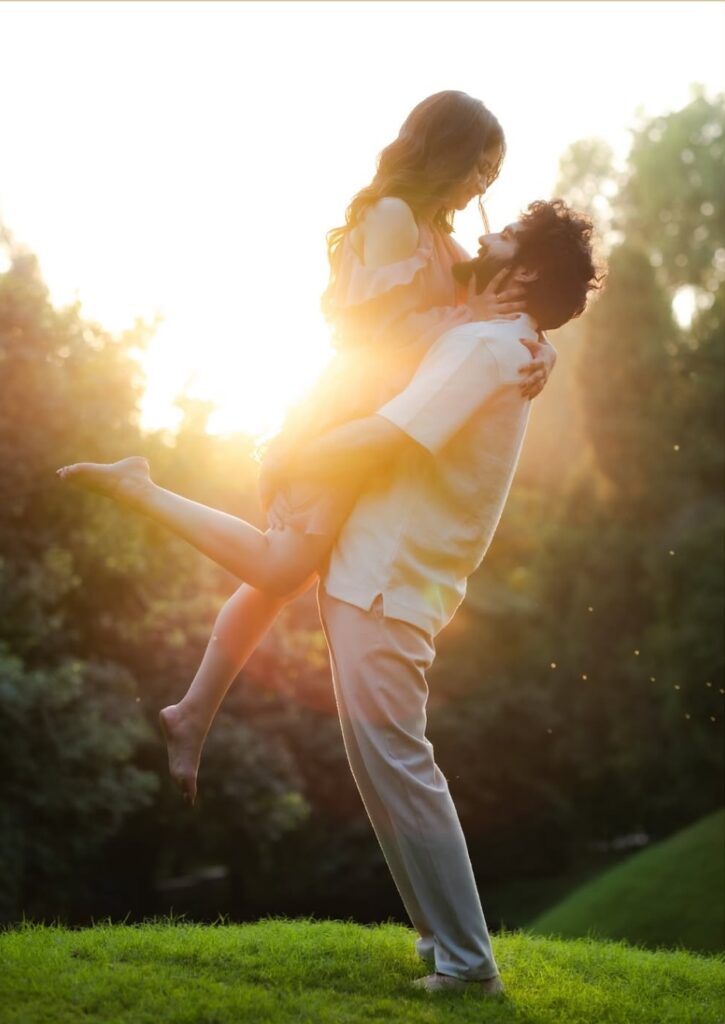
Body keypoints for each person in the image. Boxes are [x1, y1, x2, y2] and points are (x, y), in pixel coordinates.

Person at [56, 196, 603, 997]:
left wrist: (293, 456)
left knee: (399, 767)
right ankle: (440, 941)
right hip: (379, 577)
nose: (492, 224)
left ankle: (468, 966)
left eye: (510, 230)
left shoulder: (490, 346)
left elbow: (385, 433)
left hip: (387, 584)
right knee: (381, 767)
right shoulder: (500, 341)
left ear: (521, 272)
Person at [58, 91, 557, 807]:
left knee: (282, 575)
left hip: (375, 422)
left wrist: (545, 353)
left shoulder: (438, 235)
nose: (485, 182)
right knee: (283, 563)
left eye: (494, 171)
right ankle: (140, 489)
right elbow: (371, 340)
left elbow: (513, 305)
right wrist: (466, 316)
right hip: (342, 411)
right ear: (441, 147)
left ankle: (192, 711)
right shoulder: (390, 218)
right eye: (478, 163)